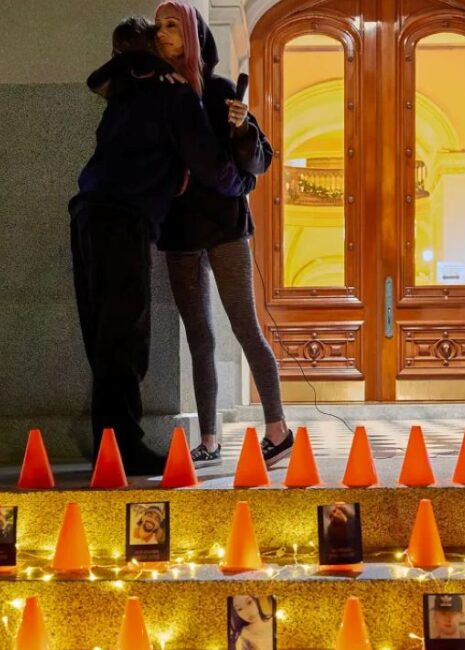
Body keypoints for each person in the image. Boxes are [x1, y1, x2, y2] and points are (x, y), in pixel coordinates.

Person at [71, 16, 254, 475]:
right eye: (161, 34)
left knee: (104, 338)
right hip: (123, 222)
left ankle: (109, 448)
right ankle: (122, 450)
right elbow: (210, 165)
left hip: (87, 217)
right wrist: (243, 182)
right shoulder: (173, 96)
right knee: (126, 340)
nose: (169, 39)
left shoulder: (122, 96)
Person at [152, 1, 292, 468]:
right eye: (158, 27)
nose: (162, 34)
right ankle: (209, 440)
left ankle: (278, 429)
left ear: (192, 35)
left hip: (226, 226)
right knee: (199, 336)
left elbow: (257, 160)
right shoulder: (156, 92)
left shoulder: (218, 90)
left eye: (173, 26)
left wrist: (242, 126)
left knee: (244, 326)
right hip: (179, 230)